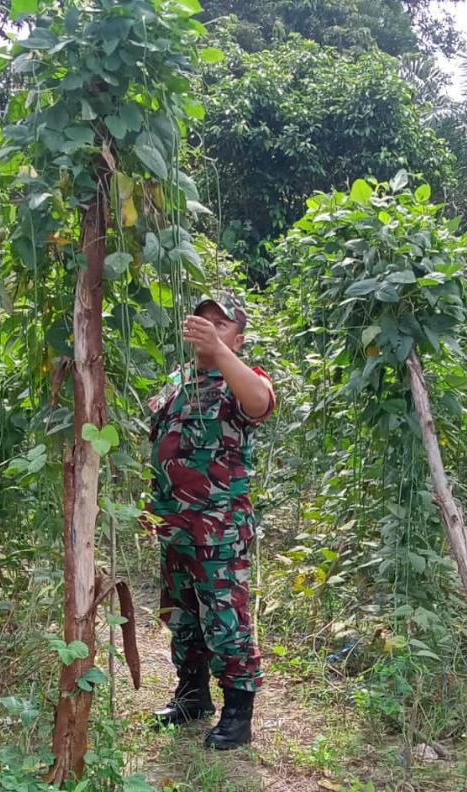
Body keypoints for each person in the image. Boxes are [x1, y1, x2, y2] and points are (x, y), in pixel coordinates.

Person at [143, 293, 276, 751]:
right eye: (203, 320)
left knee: (226, 618)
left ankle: (238, 713)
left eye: (221, 324)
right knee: (183, 617)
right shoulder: (179, 379)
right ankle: (192, 695)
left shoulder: (243, 379)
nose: (208, 327)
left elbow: (259, 403)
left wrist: (220, 353)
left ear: (238, 338)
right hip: (175, 525)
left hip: (219, 529)